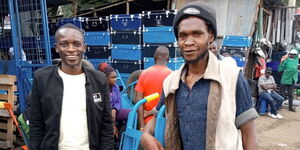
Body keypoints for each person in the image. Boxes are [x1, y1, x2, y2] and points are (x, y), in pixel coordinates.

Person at [141, 2, 258, 150]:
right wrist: (146, 134)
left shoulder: (231, 77)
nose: (189, 42)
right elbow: (158, 117)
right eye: (183, 35)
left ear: (211, 36)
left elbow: (249, 136)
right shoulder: (171, 82)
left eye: (197, 34)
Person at [29, 24, 113, 150]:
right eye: (64, 44)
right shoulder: (41, 78)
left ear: (84, 48)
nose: (71, 49)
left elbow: (106, 124)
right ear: (56, 48)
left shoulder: (99, 79)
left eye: (76, 44)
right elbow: (36, 123)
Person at [135, 46, 172, 131]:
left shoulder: (144, 74)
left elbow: (138, 100)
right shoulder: (172, 76)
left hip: (147, 123)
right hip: (164, 124)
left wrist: (142, 125)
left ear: (154, 57)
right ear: (168, 59)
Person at [98, 62, 131, 139]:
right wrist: (112, 112)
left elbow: (119, 101)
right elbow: (103, 106)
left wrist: (115, 109)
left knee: (131, 113)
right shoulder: (100, 88)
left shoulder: (116, 87)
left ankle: (122, 135)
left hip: (115, 111)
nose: (115, 79)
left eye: (115, 77)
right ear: (106, 78)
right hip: (105, 113)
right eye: (112, 78)